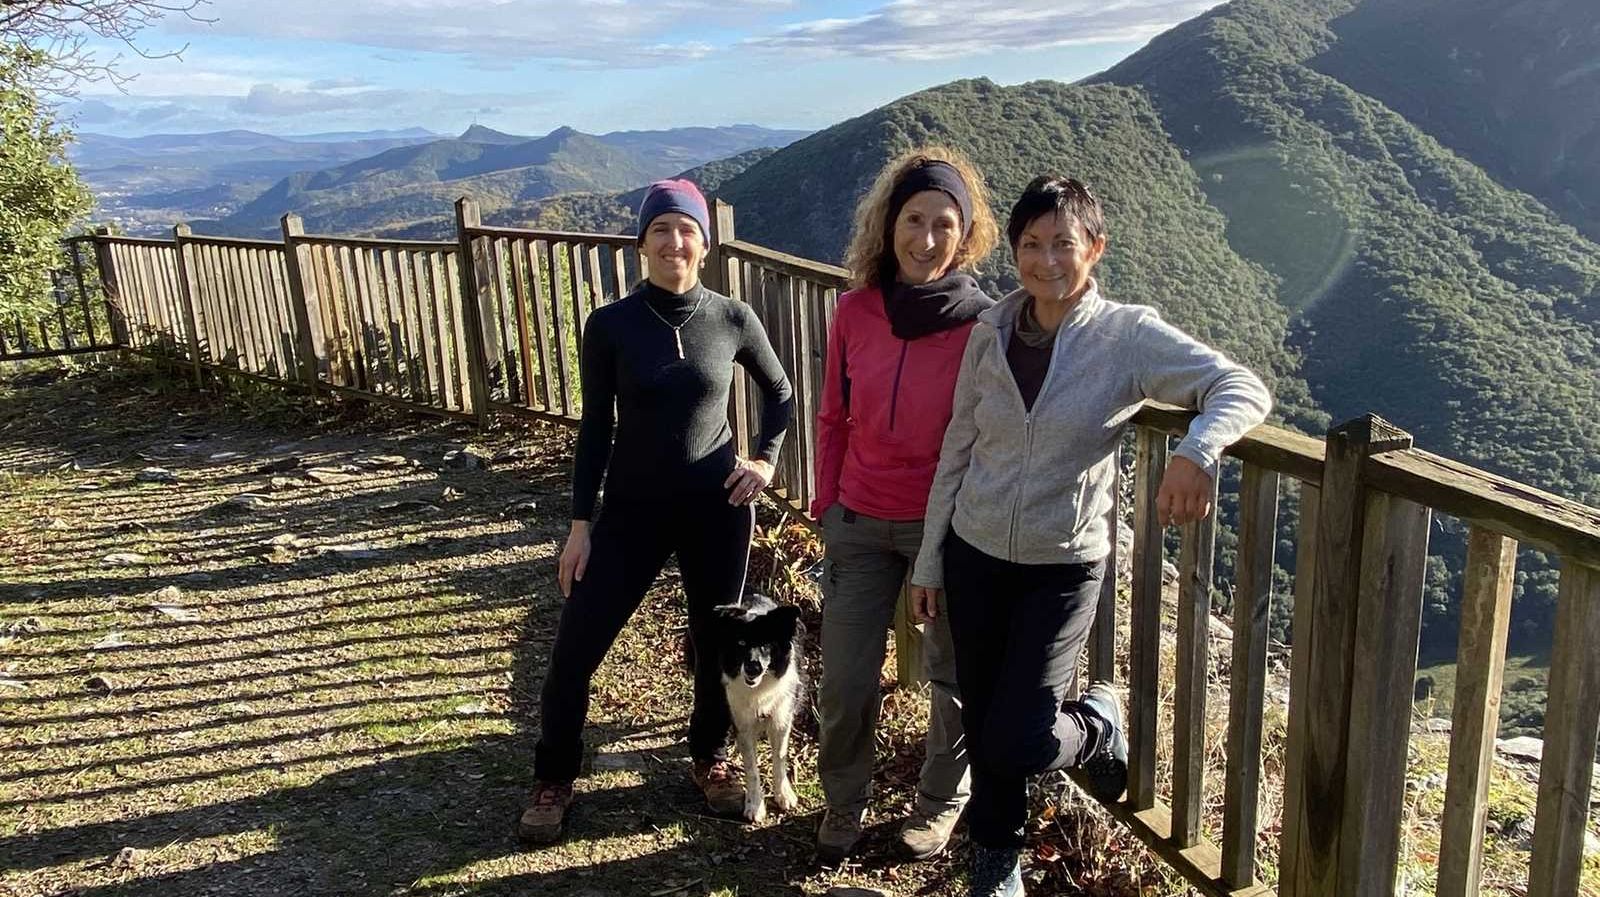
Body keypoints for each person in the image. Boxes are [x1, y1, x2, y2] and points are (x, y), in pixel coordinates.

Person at [909, 175, 1271, 896]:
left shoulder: (1126, 336)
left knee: (1022, 734)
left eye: (1063, 244)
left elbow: (1242, 385)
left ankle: (1097, 724)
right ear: (1014, 250)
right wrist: (929, 559)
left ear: (1095, 249)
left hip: (1061, 565)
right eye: (1032, 244)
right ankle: (995, 863)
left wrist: (1197, 452)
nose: (1047, 260)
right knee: (983, 719)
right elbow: (959, 444)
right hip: (973, 551)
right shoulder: (992, 329)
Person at [517, 179, 795, 845]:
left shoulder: (731, 317)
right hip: (631, 510)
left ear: (704, 241)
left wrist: (764, 460)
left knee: (714, 644)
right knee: (577, 645)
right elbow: (594, 431)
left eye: (686, 229)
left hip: (717, 508)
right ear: (642, 242)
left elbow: (780, 392)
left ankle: (709, 757)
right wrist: (580, 526)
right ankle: (554, 775)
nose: (675, 242)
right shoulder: (611, 324)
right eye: (661, 229)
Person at [812, 148, 999, 863]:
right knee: (846, 676)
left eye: (944, 224)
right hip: (858, 520)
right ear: (889, 224)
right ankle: (844, 798)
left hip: (944, 530)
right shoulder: (856, 311)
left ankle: (939, 803)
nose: (926, 239)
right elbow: (834, 416)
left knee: (950, 676)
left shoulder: (984, 324)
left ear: (966, 232)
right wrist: (828, 500)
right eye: (914, 220)